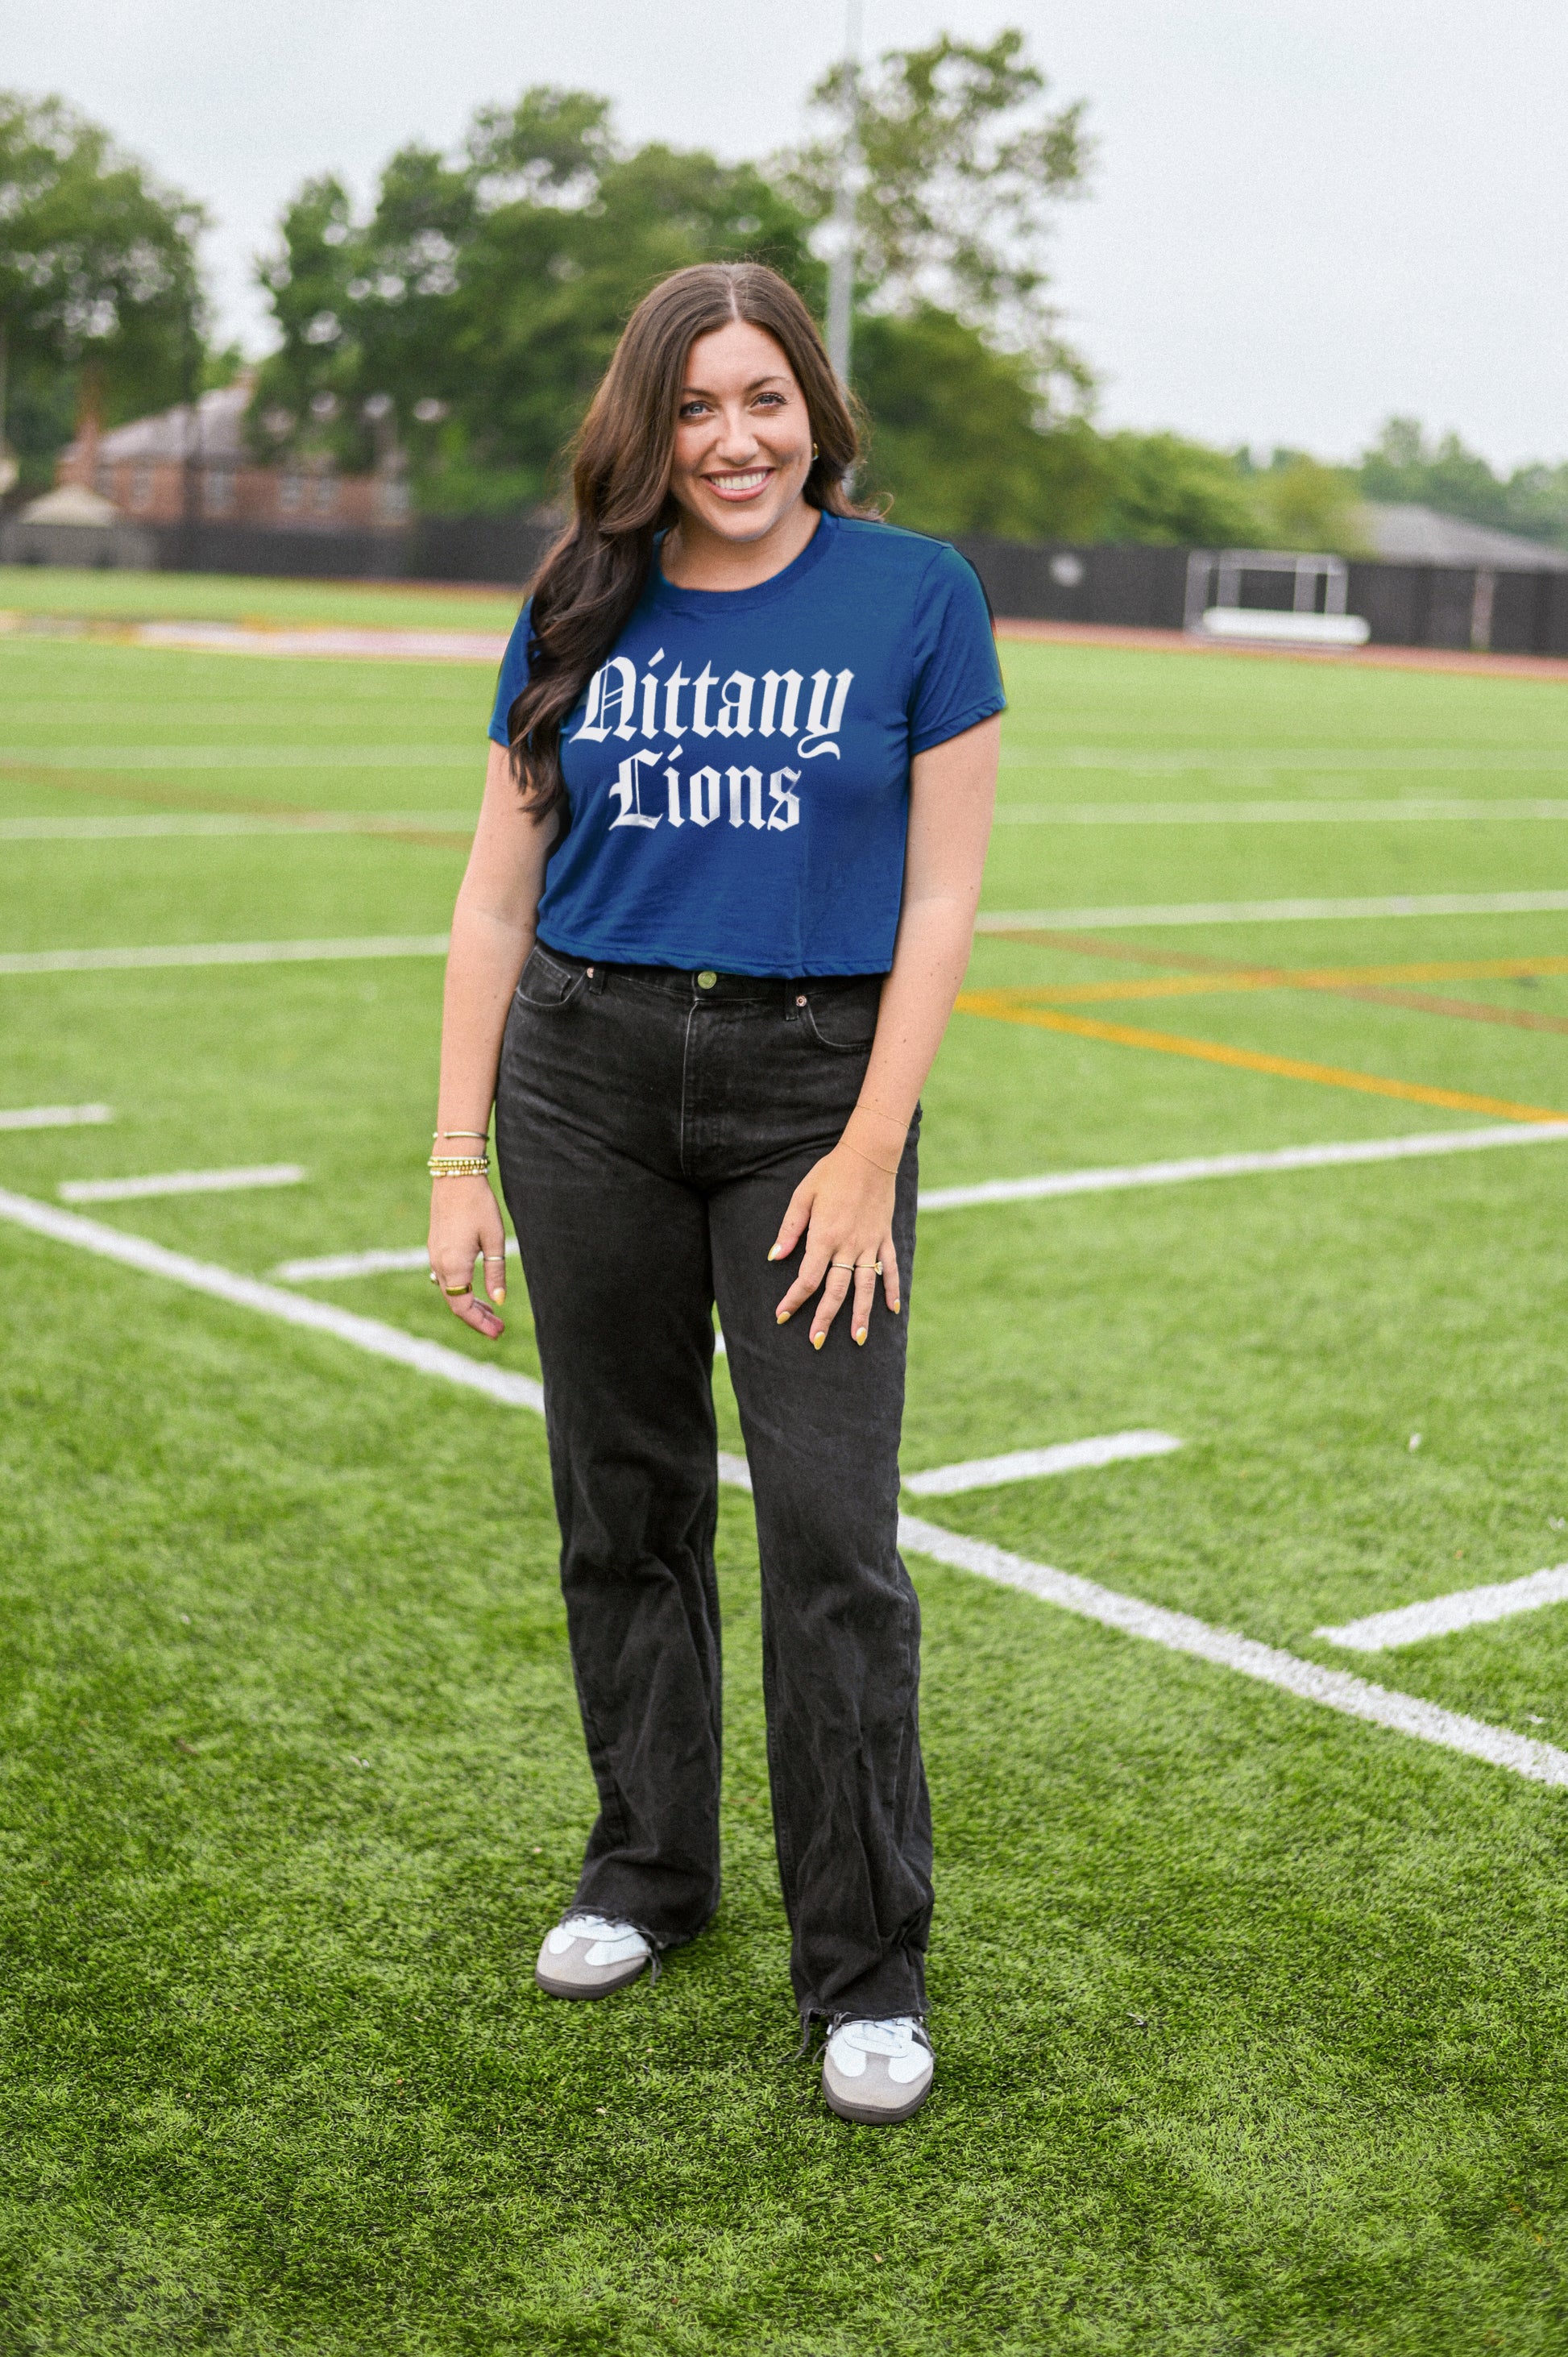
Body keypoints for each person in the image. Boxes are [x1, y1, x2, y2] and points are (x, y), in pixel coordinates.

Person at [427, 260, 1002, 2126]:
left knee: (833, 1533)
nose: (732, 438)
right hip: (582, 1075)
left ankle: (867, 1962)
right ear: (645, 425)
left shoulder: (917, 596)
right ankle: (644, 1869)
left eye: (763, 399)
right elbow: (495, 901)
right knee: (625, 1502)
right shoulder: (578, 598)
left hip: (812, 1092)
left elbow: (937, 901)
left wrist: (864, 1148)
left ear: (813, 410)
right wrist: (457, 1158)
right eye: (693, 406)